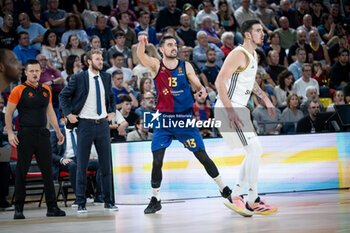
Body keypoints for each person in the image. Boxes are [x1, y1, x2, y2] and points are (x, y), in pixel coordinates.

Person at [137, 34, 232, 214]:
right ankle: (155, 199)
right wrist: (142, 43)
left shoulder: (185, 65)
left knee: (203, 157)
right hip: (163, 119)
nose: (174, 47)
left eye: (175, 44)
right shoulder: (156, 65)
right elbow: (141, 56)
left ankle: (224, 189)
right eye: (170, 45)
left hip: (184, 119)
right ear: (162, 50)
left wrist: (202, 91)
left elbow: (197, 84)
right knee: (157, 161)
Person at [215, 19, 278, 216]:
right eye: (259, 31)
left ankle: (236, 196)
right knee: (254, 150)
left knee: (253, 151)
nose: (263, 34)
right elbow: (219, 82)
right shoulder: (238, 54)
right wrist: (231, 111)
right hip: (229, 108)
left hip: (237, 108)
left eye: (262, 30)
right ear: (248, 34)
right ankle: (252, 199)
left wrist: (266, 99)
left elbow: (250, 83)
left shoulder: (253, 55)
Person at [5, 59, 65, 219]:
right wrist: (11, 133)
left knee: (48, 172)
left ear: (40, 72)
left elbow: (50, 112)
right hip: (25, 135)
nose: (34, 74)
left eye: (37, 71)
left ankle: (52, 207)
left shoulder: (46, 89)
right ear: (26, 72)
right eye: (31, 71)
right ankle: (19, 208)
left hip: (43, 134)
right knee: (21, 171)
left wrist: (58, 131)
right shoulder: (18, 90)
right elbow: (8, 113)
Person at [59, 49, 118, 213]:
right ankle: (80, 201)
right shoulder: (79, 78)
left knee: (106, 166)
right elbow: (63, 96)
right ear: (89, 61)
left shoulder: (106, 77)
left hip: (103, 125)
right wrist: (69, 114)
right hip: (85, 124)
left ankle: (108, 201)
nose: (101, 61)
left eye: (101, 58)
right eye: (97, 59)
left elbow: (111, 97)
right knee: (82, 165)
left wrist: (112, 111)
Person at [51, 124, 104, 207]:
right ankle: (80, 198)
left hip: (81, 158)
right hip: (65, 160)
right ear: (63, 120)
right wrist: (61, 159)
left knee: (100, 163)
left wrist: (88, 153)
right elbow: (51, 153)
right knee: (73, 166)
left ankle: (99, 196)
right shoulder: (57, 133)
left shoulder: (80, 131)